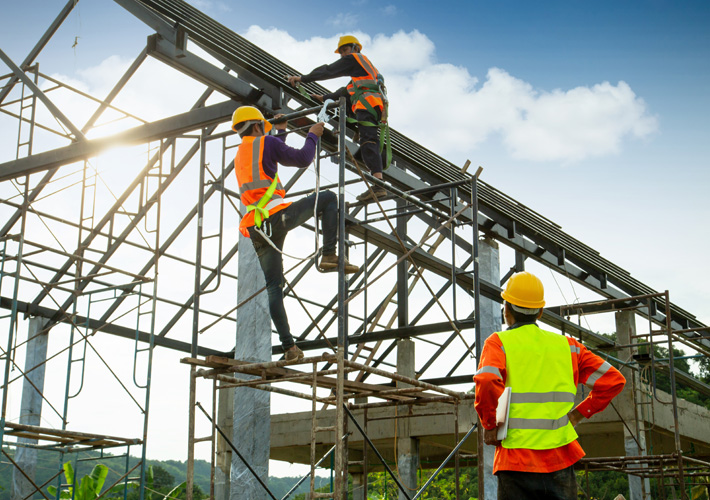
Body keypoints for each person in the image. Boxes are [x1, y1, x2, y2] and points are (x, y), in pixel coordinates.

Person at [473, 271, 626, 500]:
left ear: (506, 309)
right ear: (541, 312)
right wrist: (578, 415)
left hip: (515, 460)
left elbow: (486, 381)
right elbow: (614, 380)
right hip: (560, 459)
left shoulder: (498, 343)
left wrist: (490, 424)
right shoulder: (569, 347)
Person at [233, 105, 360, 361]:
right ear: (258, 125)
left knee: (273, 288)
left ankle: (289, 348)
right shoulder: (266, 142)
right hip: (277, 215)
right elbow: (303, 159)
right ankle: (328, 254)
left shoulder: (242, 152)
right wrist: (313, 135)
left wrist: (281, 131)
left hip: (258, 227)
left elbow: (269, 161)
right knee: (328, 198)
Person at [286, 35, 388, 202]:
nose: (343, 56)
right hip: (371, 105)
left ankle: (379, 184)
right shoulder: (361, 74)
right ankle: (376, 181)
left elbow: (329, 70)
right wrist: (324, 97)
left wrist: (302, 78)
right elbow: (345, 91)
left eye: (345, 50)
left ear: (356, 48)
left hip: (368, 104)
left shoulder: (356, 59)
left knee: (368, 141)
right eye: (341, 53)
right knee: (366, 138)